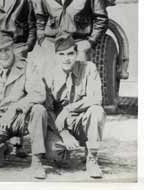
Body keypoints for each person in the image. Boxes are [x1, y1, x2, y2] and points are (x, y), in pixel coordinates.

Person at [0, 31, 48, 179]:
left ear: (13, 48)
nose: (4, 54)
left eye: (7, 49)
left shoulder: (26, 66)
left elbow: (39, 93)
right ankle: (2, 150)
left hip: (20, 117)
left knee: (39, 110)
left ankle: (37, 161)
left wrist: (14, 108)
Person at [43, 33, 106, 178]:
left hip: (81, 122)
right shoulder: (49, 75)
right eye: (62, 54)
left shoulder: (89, 68)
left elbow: (96, 98)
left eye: (70, 53)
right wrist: (63, 132)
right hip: (59, 125)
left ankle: (92, 158)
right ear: (56, 56)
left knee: (97, 111)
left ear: (77, 54)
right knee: (56, 155)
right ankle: (65, 149)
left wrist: (68, 109)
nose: (66, 58)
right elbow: (48, 110)